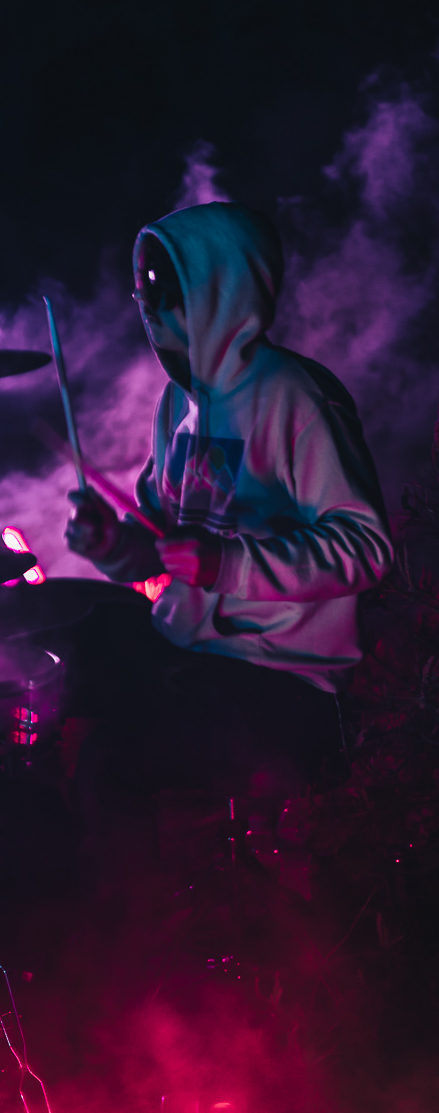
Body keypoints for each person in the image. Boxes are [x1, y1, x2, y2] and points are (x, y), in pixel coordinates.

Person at [66, 201, 393, 800]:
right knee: (51, 658)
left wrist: (226, 563)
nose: (146, 305)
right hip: (190, 645)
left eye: (162, 285)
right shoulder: (177, 402)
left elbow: (365, 549)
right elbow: (160, 544)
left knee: (108, 762)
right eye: (141, 288)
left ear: (218, 289)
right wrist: (112, 544)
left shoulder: (298, 397)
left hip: (283, 674)